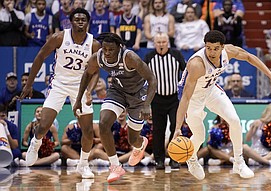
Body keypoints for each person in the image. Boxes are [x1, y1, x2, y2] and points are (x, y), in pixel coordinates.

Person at [173, 30, 271, 180]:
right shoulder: (197, 64)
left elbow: (249, 57)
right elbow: (185, 98)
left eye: (216, 48)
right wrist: (177, 128)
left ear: (222, 47)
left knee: (234, 121)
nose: (211, 52)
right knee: (200, 135)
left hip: (211, 90)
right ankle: (191, 159)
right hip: (192, 97)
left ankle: (239, 162)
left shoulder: (228, 51)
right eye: (208, 48)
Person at [20, 8, 101, 179]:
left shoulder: (94, 44)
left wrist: (89, 91)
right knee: (43, 124)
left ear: (88, 23)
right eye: (77, 19)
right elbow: (40, 57)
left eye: (83, 19)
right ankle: (35, 143)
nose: (80, 21)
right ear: (70, 22)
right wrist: (29, 83)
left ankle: (83, 164)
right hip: (59, 84)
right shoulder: (59, 37)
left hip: (81, 87)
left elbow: (95, 72)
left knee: (87, 130)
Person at [73, 32, 157, 183]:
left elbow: (152, 79)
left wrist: (146, 105)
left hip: (138, 95)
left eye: (111, 50)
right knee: (104, 124)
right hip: (117, 91)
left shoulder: (130, 57)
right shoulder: (98, 57)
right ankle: (115, 166)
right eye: (104, 49)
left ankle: (140, 144)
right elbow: (87, 74)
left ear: (119, 48)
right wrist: (79, 98)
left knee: (133, 140)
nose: (107, 53)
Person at [144, 32, 186, 170]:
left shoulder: (176, 55)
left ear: (167, 42)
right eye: (158, 42)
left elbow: (185, 72)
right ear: (154, 43)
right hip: (157, 98)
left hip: (174, 98)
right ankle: (159, 160)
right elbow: (143, 78)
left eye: (163, 42)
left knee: (175, 128)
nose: (161, 44)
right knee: (158, 130)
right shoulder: (149, 57)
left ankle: (175, 159)